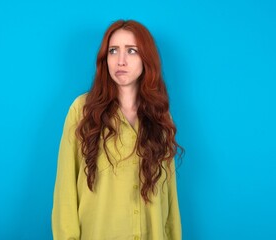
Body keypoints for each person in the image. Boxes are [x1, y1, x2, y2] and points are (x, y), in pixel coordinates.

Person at [52, 19, 184, 240]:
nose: (121, 61)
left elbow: (169, 197)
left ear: (146, 59)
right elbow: (64, 191)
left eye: (131, 51)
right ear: (105, 59)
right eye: (113, 51)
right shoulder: (82, 111)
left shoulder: (161, 116)